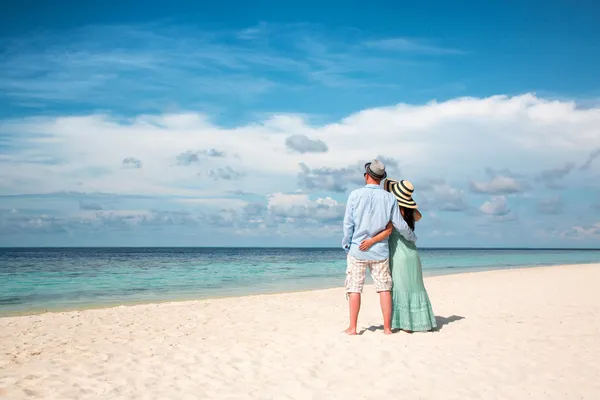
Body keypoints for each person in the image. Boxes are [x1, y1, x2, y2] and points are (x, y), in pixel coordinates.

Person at [341, 160, 417, 335]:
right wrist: (412, 238)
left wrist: (346, 244)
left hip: (357, 249)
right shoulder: (389, 197)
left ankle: (353, 328)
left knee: (354, 288)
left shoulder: (354, 195)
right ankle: (387, 328)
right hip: (380, 251)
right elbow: (400, 224)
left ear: (366, 175)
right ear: (382, 178)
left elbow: (348, 224)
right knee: (384, 288)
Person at [359, 179, 437, 333]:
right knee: (414, 287)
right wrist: (413, 237)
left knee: (401, 287)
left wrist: (369, 242)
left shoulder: (393, 213)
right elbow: (412, 229)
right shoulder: (407, 213)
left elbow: (386, 231)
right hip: (412, 253)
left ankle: (406, 324)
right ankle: (419, 322)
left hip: (399, 254)